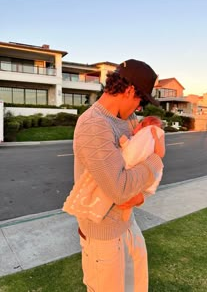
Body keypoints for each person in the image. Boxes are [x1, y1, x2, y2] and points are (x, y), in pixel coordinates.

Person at [71, 59, 165, 291]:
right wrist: (157, 158)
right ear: (130, 90)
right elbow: (120, 190)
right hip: (103, 235)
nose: (139, 109)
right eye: (141, 101)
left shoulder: (127, 120)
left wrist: (141, 196)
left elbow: (144, 151)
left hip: (126, 224)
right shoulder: (94, 125)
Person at [63, 115, 165, 222]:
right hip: (129, 173)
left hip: (133, 172)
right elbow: (133, 150)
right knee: (123, 196)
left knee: (127, 197)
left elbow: (157, 154)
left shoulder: (149, 134)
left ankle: (123, 213)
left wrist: (154, 136)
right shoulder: (98, 121)